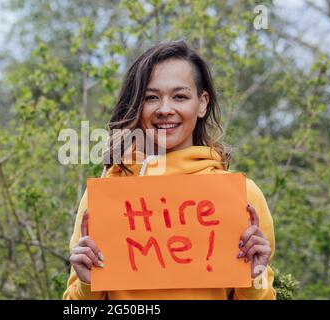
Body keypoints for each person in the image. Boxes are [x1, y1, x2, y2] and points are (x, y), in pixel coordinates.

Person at [63, 40, 275, 300]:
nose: (165, 109)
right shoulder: (104, 197)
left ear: (202, 103)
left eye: (180, 96)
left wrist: (253, 279)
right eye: (151, 97)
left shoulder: (243, 195)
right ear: (137, 106)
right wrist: (87, 284)